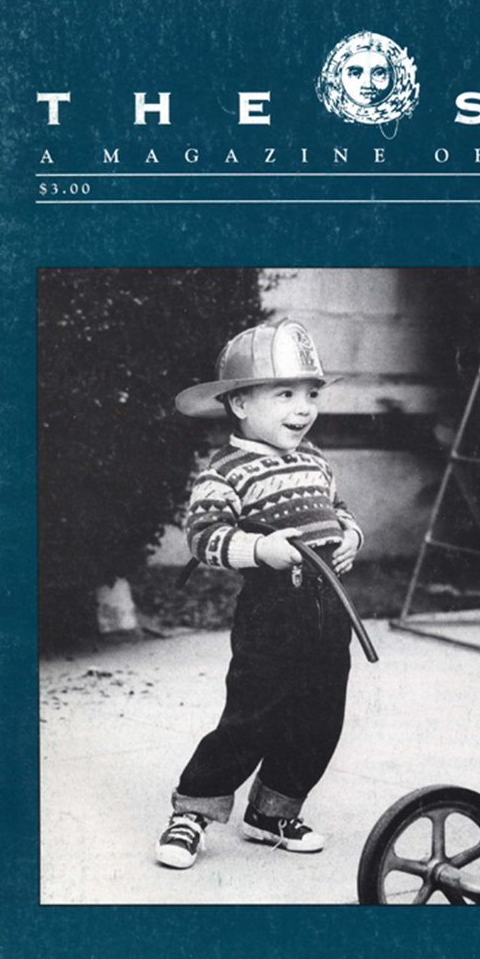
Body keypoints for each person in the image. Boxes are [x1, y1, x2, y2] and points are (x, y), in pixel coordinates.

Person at [156, 318, 363, 869]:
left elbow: (337, 511)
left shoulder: (314, 460)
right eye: (285, 394)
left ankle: (272, 811)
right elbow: (204, 536)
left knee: (319, 717)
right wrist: (259, 548)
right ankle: (193, 810)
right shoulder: (226, 470)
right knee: (252, 716)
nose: (304, 408)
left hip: (329, 609)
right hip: (273, 611)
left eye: (311, 394)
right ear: (241, 403)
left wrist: (350, 536)